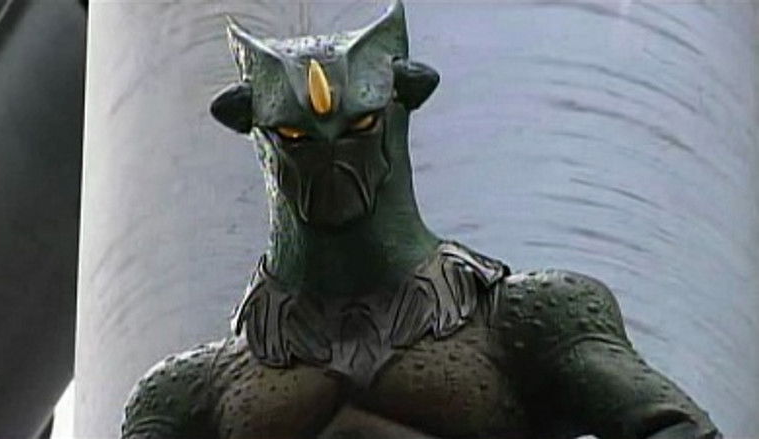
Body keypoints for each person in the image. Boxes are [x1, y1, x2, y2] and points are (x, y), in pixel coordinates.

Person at [121, 1, 720, 438]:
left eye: (359, 128)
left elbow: (675, 428)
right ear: (263, 137)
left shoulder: (528, 317)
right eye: (296, 138)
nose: (329, 152)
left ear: (395, 114)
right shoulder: (188, 393)